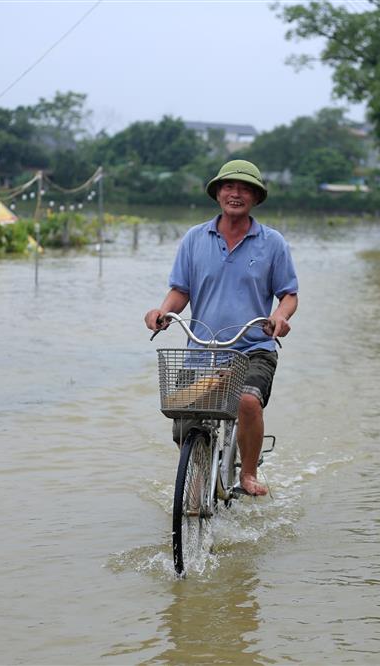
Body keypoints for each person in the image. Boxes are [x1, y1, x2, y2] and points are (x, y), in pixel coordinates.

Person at [144, 160, 298, 497]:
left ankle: (249, 474)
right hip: (203, 348)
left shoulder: (272, 243)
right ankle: (203, 470)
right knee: (184, 423)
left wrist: (280, 317)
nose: (236, 194)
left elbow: (288, 294)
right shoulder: (194, 238)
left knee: (246, 400)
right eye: (229, 187)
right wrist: (163, 311)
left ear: (256, 197)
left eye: (244, 189)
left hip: (253, 346)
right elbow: (181, 290)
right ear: (217, 193)